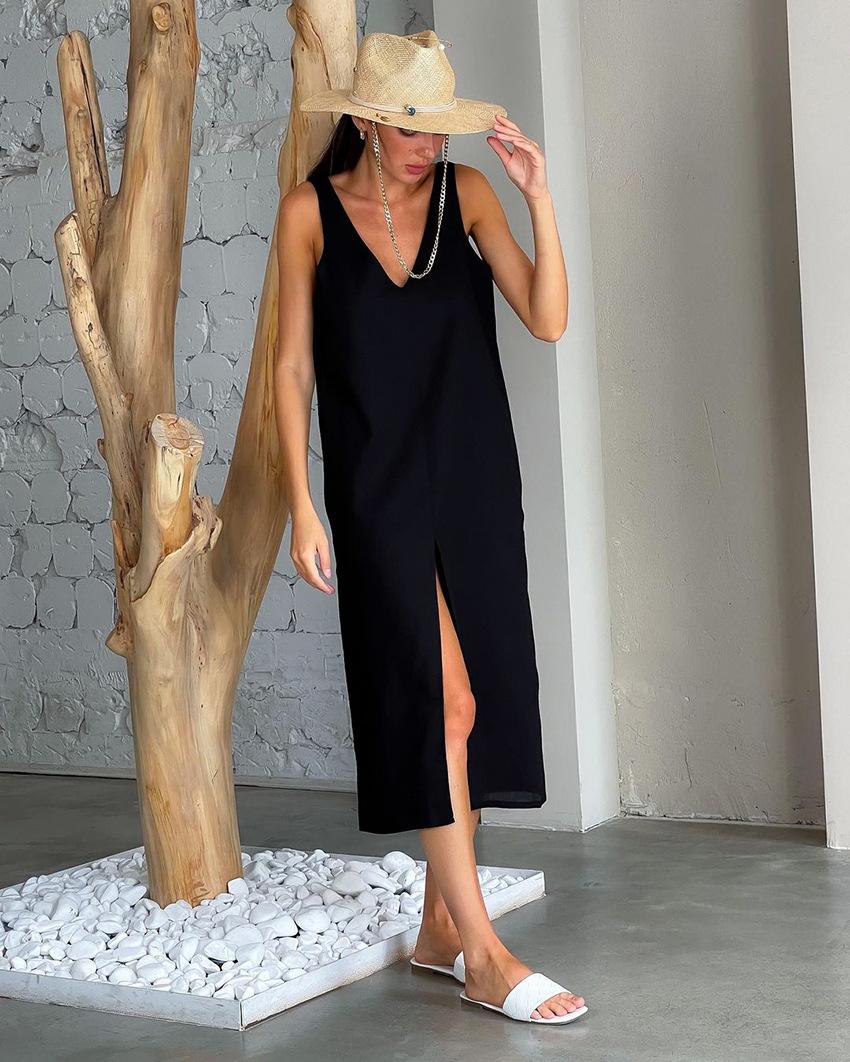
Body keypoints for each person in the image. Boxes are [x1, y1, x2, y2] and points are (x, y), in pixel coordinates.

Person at [274, 30, 586, 1025]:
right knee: (441, 703)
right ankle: (484, 956)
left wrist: (538, 195)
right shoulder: (309, 213)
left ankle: (439, 929)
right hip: (377, 493)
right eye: (411, 129)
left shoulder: (470, 195)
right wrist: (300, 502)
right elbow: (291, 366)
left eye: (437, 130)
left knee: (472, 705)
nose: (427, 147)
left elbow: (546, 318)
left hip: (476, 481)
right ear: (369, 121)